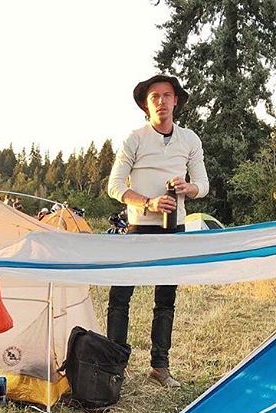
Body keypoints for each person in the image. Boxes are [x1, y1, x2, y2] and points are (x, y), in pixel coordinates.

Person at [106, 74, 209, 388]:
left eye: (167, 95)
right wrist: (148, 202)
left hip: (173, 229)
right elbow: (114, 187)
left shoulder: (190, 140)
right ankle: (114, 366)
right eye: (155, 97)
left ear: (176, 100)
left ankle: (159, 367)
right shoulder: (134, 139)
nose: (162, 101)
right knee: (120, 297)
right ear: (146, 105)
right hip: (138, 228)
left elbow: (203, 185)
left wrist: (188, 188)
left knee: (166, 299)